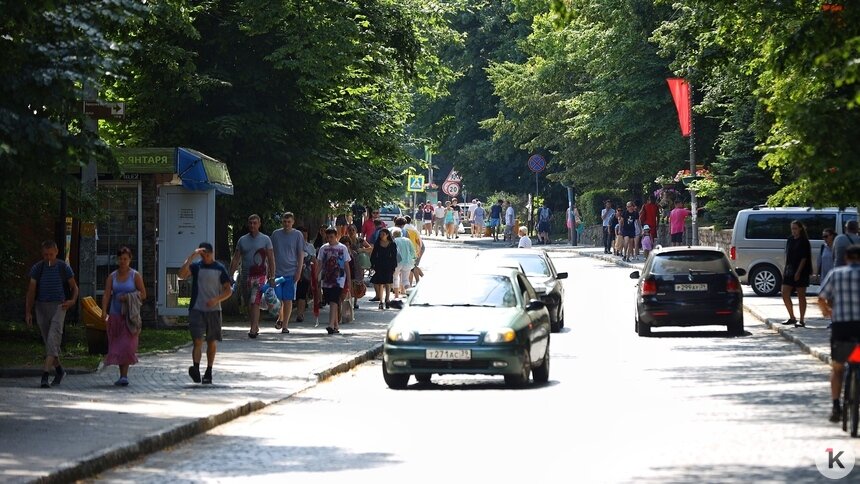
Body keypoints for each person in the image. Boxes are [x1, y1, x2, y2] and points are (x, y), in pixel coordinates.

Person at [25, 240, 80, 388]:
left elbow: (74, 287)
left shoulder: (63, 267)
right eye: (45, 255)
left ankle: (45, 376)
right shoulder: (38, 268)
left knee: (53, 339)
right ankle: (60, 370)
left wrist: (72, 301)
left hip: (59, 306)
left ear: (56, 253)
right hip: (41, 306)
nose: (48, 257)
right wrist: (28, 311)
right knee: (49, 342)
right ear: (42, 254)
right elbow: (31, 291)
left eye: (51, 254)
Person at [178, 242, 232, 385]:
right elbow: (182, 274)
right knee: (197, 340)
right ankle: (195, 369)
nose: (205, 257)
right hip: (196, 308)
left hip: (214, 311)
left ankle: (209, 371)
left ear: (212, 253)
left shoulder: (219, 268)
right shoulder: (196, 266)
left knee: (211, 341)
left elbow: (228, 290)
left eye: (207, 254)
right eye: (203, 254)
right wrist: (192, 256)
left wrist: (217, 299)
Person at [818, 244, 860, 423]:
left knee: (838, 367)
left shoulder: (836, 274)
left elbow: (821, 298)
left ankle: (836, 405)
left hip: (841, 327)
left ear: (846, 258)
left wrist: (827, 312)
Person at [100, 246, 146, 386]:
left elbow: (143, 294)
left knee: (127, 345)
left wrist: (128, 297)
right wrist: (103, 311)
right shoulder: (112, 276)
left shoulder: (135, 275)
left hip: (129, 316)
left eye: (125, 259)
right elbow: (107, 294)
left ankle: (124, 375)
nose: (123, 261)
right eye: (120, 259)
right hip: (115, 315)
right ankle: (122, 375)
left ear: (130, 260)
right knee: (118, 345)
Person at [228, 214, 275, 339]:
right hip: (245, 275)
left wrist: (272, 276)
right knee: (249, 302)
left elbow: (271, 258)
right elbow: (236, 258)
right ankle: (255, 324)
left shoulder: (265, 239)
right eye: (250, 223)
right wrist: (230, 274)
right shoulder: (242, 240)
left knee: (255, 301)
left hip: (260, 276)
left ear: (259, 224)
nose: (252, 225)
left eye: (255, 223)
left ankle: (253, 328)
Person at [271, 212, 305, 334]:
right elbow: (270, 253)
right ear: (282, 222)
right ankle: (280, 317)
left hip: (291, 271)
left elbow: (300, 254)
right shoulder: (275, 234)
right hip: (277, 271)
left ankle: (285, 325)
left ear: (293, 222)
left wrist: (298, 271)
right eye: (285, 222)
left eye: (289, 222)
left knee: (288, 299)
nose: (287, 224)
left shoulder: (297, 235)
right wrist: (269, 270)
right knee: (278, 298)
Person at [317, 228, 351, 334]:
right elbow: (320, 263)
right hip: (327, 278)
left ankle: (330, 325)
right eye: (327, 237)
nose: (329, 239)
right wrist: (315, 276)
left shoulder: (342, 248)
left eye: (331, 237)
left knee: (334, 300)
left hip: (339, 279)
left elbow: (346, 264)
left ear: (336, 236)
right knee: (331, 301)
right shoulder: (324, 248)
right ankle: (336, 325)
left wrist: (349, 279)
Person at [780, 220, 812, 328]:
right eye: (792, 228)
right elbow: (787, 255)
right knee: (784, 293)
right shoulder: (790, 240)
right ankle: (792, 317)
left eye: (795, 228)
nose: (793, 231)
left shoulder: (804, 241)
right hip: (789, 270)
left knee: (801, 295)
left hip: (801, 271)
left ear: (800, 229)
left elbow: (804, 258)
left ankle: (802, 320)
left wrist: (798, 272)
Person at [293, 226, 318, 323]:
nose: (303, 236)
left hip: (305, 273)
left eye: (305, 234)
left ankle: (300, 314)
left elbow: (314, 260)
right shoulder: (292, 245)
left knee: (302, 294)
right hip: (292, 271)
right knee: (291, 295)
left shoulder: (310, 247)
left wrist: (315, 275)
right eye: (301, 234)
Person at [370, 228, 397, 309]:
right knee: (380, 283)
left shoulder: (392, 244)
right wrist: (373, 264)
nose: (381, 236)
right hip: (379, 265)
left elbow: (394, 256)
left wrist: (393, 266)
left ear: (387, 235)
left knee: (388, 283)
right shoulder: (378, 243)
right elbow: (374, 255)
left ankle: (387, 299)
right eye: (380, 234)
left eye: (383, 234)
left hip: (388, 265)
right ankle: (381, 301)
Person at [391, 227, 417, 299]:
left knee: (395, 277)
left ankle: (396, 295)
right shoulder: (407, 240)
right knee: (405, 279)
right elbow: (412, 251)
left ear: (393, 235)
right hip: (408, 262)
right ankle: (409, 294)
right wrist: (413, 258)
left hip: (397, 262)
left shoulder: (394, 241)